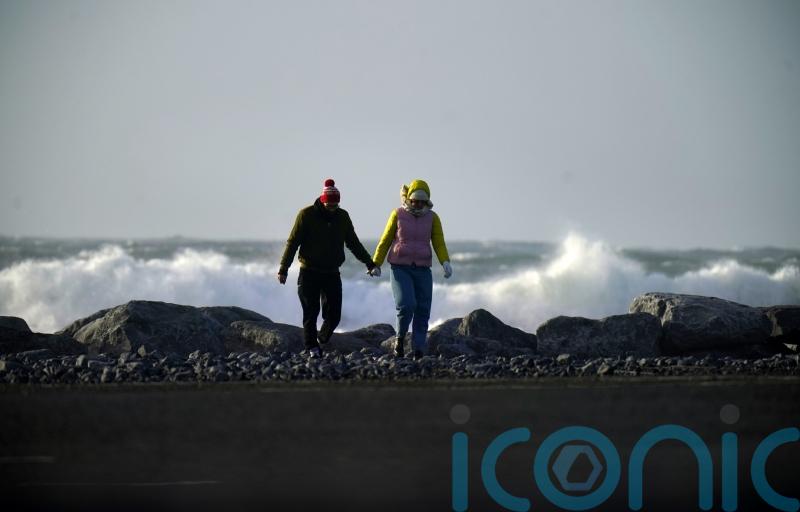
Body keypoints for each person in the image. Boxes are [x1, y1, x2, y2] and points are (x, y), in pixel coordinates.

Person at [278, 178, 378, 358]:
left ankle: (321, 339)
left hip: (332, 273)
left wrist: (369, 263)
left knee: (334, 316)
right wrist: (283, 268)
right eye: (330, 205)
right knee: (310, 312)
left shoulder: (343, 216)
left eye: (336, 205)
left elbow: (353, 243)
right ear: (323, 201)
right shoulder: (306, 215)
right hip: (309, 272)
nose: (333, 208)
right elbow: (292, 243)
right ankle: (311, 348)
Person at [370, 179, 452, 360]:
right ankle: (399, 339)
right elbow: (385, 240)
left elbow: (438, 242)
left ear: (426, 200)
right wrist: (375, 263)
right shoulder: (398, 214)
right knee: (406, 305)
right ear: (409, 198)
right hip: (400, 268)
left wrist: (445, 261)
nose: (417, 203)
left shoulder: (432, 217)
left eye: (421, 201)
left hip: (423, 269)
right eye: (415, 200)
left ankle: (418, 349)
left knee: (423, 309)